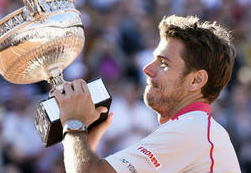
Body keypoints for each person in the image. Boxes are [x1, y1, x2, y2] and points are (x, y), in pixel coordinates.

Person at [53, 15, 241, 173]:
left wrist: (74, 123)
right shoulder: (196, 130)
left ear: (196, 80)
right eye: (153, 59)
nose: (146, 69)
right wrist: (85, 143)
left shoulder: (191, 130)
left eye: (163, 64)